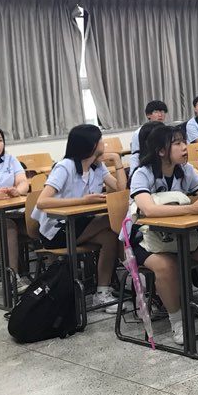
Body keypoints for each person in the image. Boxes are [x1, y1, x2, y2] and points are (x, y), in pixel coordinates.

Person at [129, 123, 198, 344]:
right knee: (167, 265)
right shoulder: (142, 174)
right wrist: (192, 209)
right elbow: (149, 210)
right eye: (178, 143)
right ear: (161, 151)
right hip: (145, 240)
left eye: (184, 142)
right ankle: (178, 323)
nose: (185, 147)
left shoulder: (186, 170)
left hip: (180, 236)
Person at [33, 124, 127, 312]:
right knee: (108, 221)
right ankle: (131, 267)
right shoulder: (65, 167)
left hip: (81, 225)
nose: (103, 143)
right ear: (91, 144)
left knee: (110, 237)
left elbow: (121, 189)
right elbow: (42, 202)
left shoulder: (97, 166)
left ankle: (102, 292)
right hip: (56, 231)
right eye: (100, 140)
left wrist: (117, 160)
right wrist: (83, 201)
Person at [0, 126, 31, 285]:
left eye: (0, 140)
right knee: (6, 226)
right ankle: (12, 279)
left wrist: (17, 191)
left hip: (14, 212)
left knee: (41, 222)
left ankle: (54, 276)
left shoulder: (10, 160)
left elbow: (23, 182)